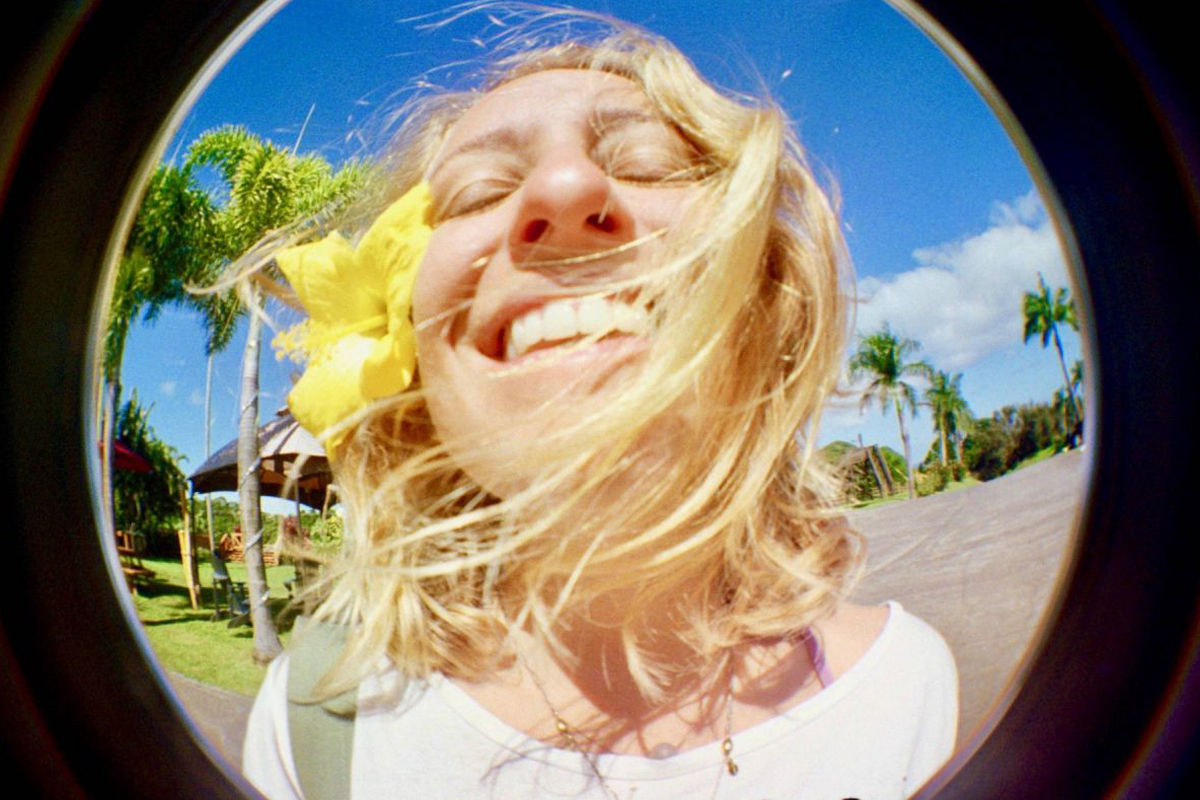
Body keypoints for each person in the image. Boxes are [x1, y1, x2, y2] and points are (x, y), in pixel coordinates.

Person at [242, 12, 957, 800]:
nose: (563, 187)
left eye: (647, 165)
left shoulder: (914, 696)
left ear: (764, 305)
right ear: (414, 378)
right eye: (480, 192)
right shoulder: (313, 724)